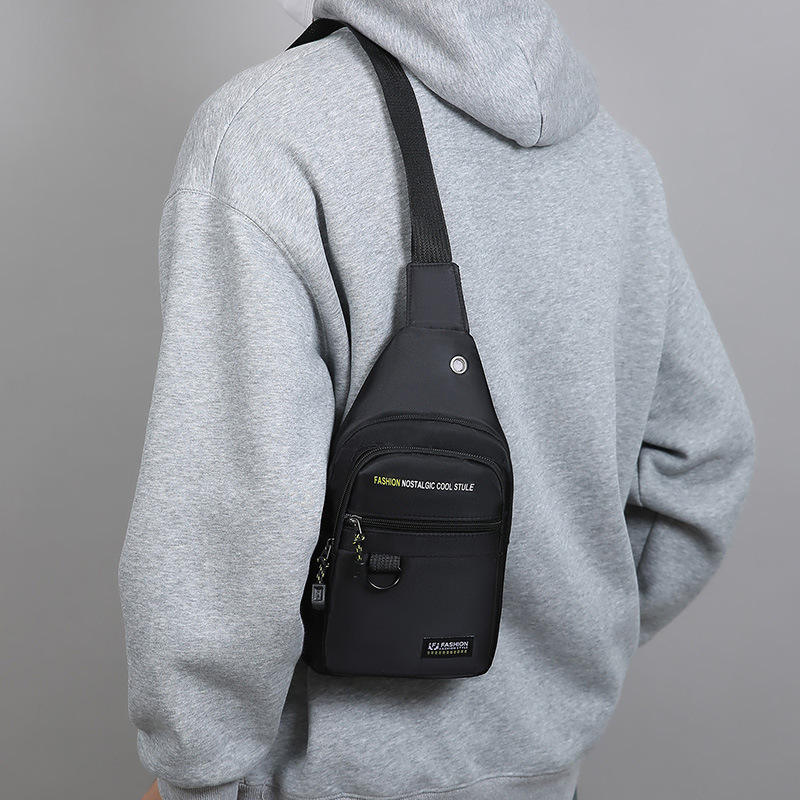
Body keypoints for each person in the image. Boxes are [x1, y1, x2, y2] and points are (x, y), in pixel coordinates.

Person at [119, 2, 755, 799]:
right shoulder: (617, 164)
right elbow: (702, 459)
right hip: (545, 773)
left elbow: (235, 511)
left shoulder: (267, 132)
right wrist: (557, 651)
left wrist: (195, 772)